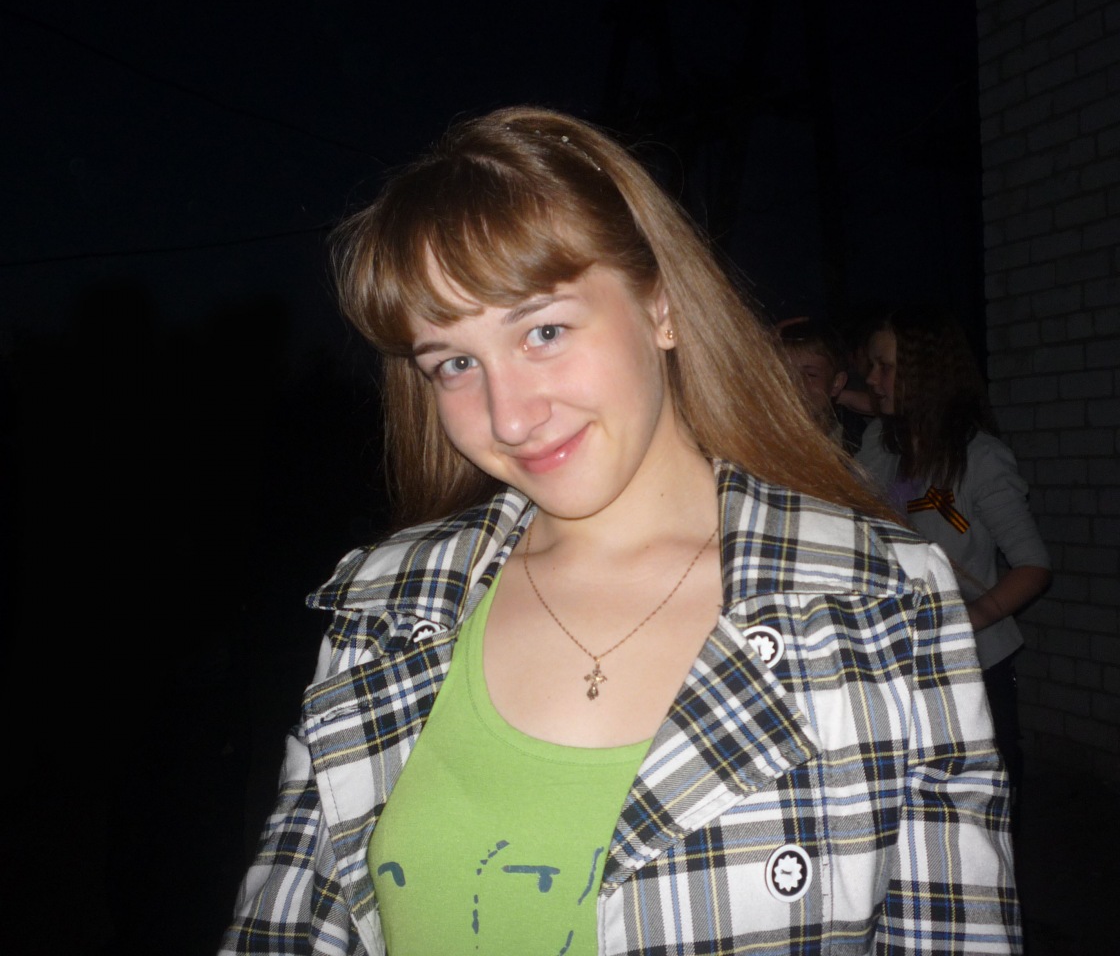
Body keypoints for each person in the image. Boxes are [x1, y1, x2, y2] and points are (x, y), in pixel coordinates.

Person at [221, 107, 1020, 955]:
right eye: (454, 363)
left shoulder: (879, 599)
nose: (509, 417)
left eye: (544, 331)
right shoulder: (384, 607)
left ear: (660, 305)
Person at [855, 308, 1051, 794]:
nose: (872, 378)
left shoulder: (980, 457)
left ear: (924, 374)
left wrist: (969, 618)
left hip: (972, 666)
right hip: (895, 664)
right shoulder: (880, 442)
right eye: (871, 366)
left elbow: (1033, 565)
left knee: (978, 798)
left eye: (885, 367)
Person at [775, 316, 868, 453]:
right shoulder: (757, 434)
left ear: (836, 383)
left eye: (811, 375)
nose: (796, 384)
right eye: (785, 373)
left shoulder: (860, 440)